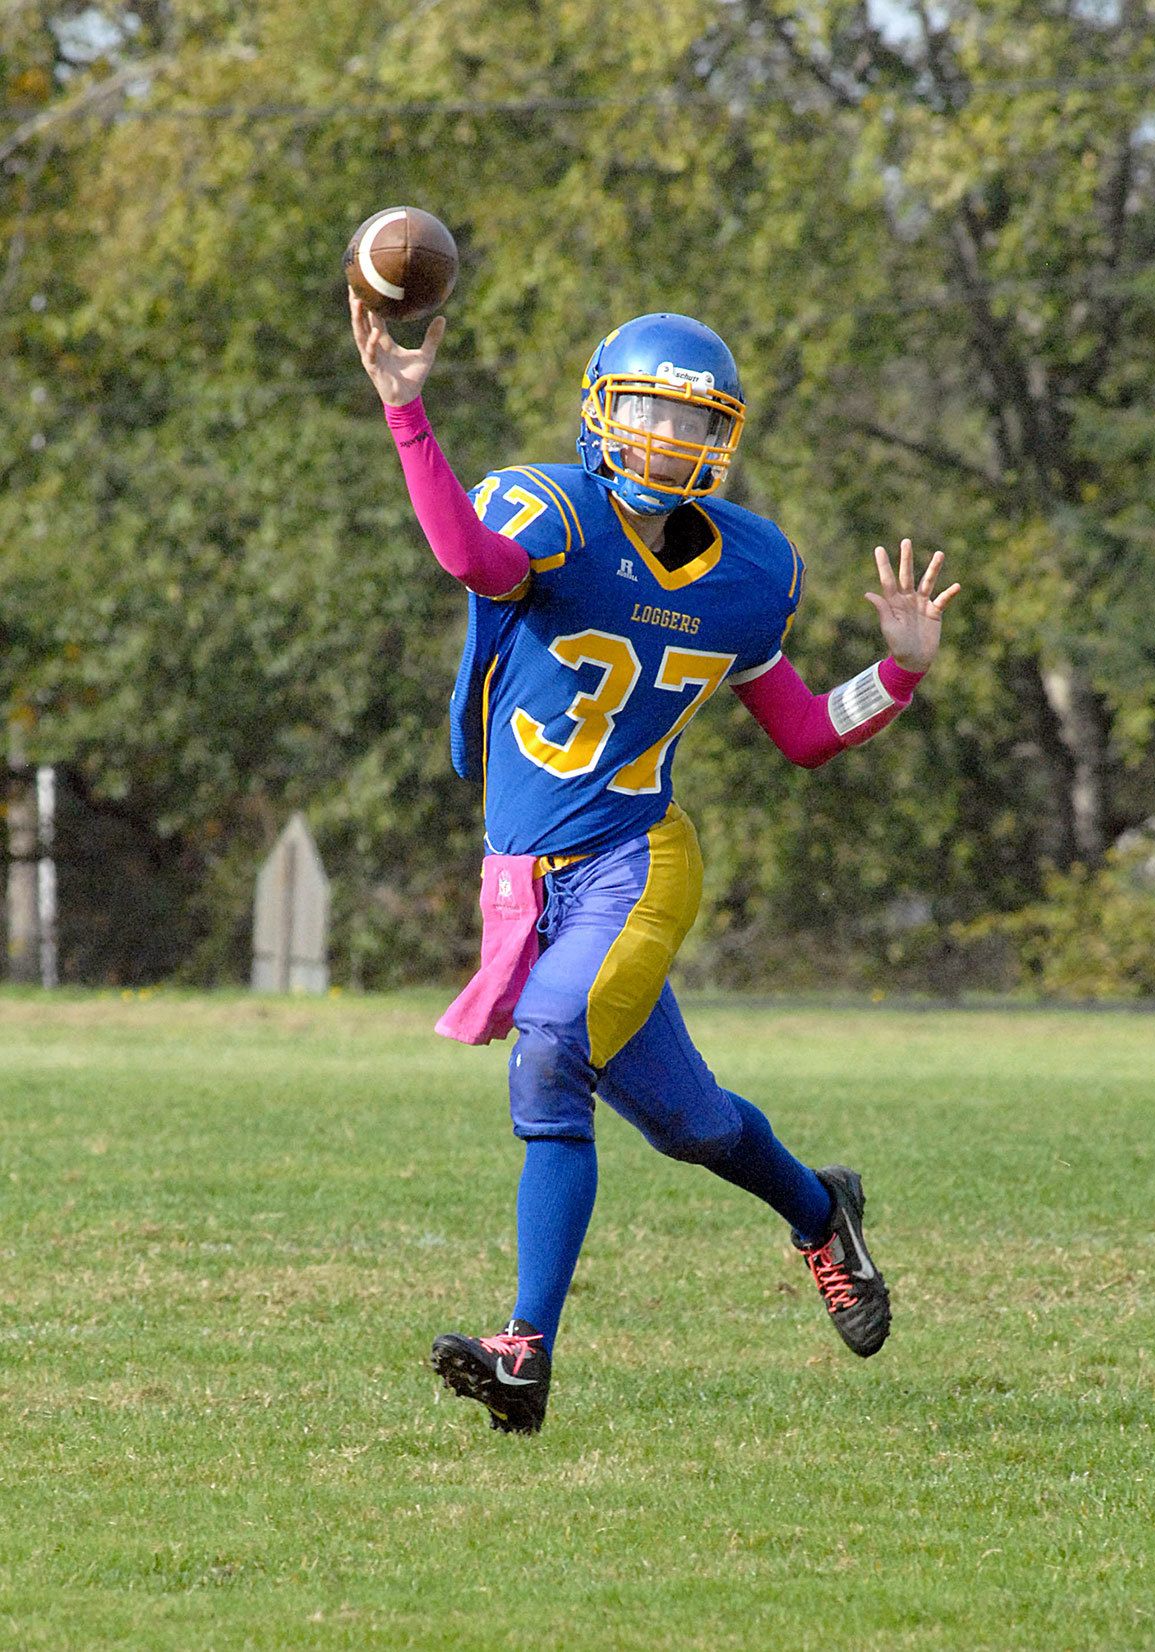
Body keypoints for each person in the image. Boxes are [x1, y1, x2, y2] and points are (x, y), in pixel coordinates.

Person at [350, 294, 960, 1434]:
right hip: (529, 881)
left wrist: (897, 672)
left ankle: (523, 1354)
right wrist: (407, 412)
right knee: (687, 1124)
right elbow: (470, 556)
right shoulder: (552, 512)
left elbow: (803, 733)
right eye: (647, 411)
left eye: (692, 420)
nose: (668, 439)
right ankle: (819, 1210)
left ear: (722, 437)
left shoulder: (746, 569)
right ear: (599, 410)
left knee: (547, 1056)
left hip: (635, 861)